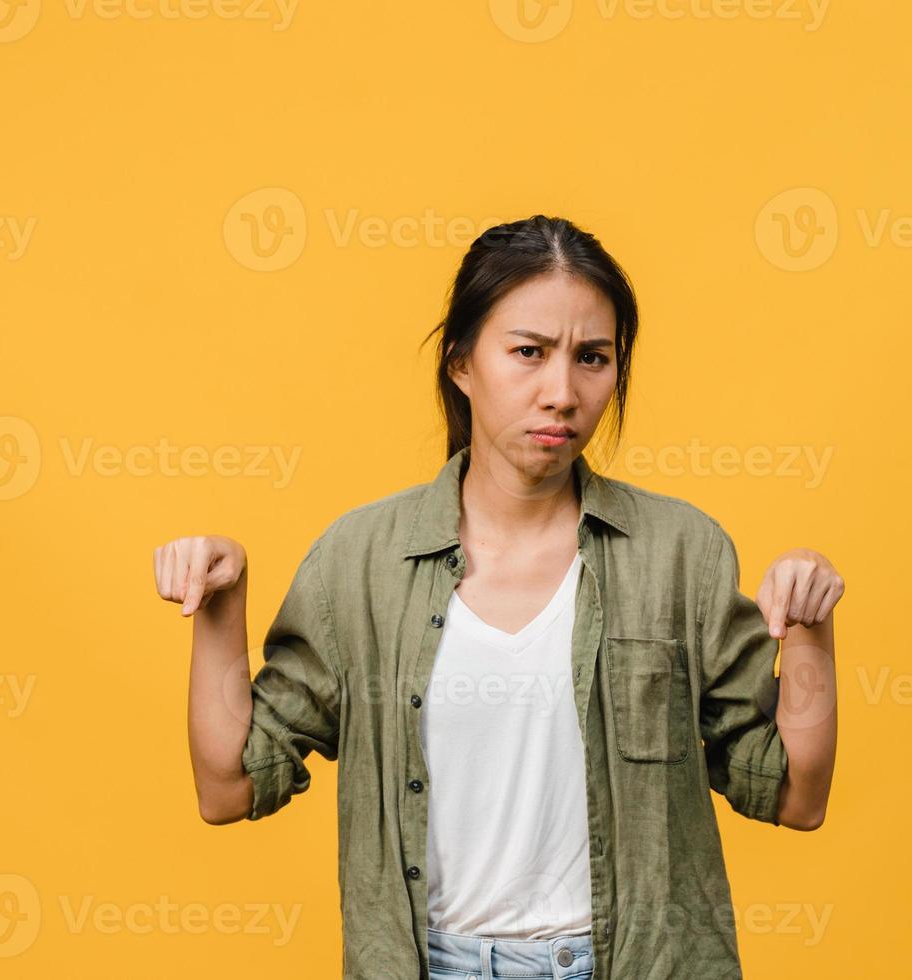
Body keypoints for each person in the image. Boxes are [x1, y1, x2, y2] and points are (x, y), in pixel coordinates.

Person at [153, 215, 842, 980]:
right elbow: (229, 784)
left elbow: (793, 793)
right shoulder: (361, 562)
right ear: (461, 364)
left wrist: (809, 627)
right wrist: (221, 607)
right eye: (528, 353)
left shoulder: (680, 554)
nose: (562, 392)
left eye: (592, 358)